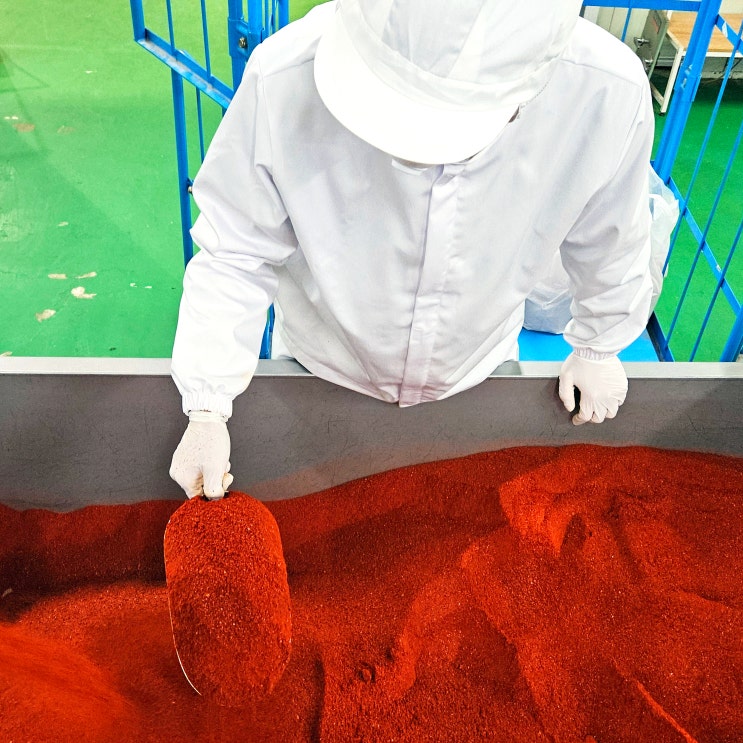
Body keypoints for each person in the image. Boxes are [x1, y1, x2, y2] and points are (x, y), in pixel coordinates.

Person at [170, 0, 656, 500]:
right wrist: (207, 401)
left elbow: (612, 232)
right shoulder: (284, 77)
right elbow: (236, 246)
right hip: (322, 362)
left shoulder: (603, 91)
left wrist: (600, 343)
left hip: (477, 367)